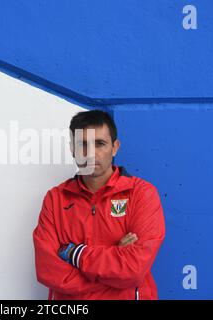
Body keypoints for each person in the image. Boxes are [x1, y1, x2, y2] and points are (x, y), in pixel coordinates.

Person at [32, 109, 166, 300]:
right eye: (82, 144)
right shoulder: (55, 199)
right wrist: (114, 265)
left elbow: (133, 269)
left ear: (115, 147)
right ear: (72, 149)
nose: (91, 153)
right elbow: (48, 270)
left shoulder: (142, 194)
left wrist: (74, 253)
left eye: (100, 144)